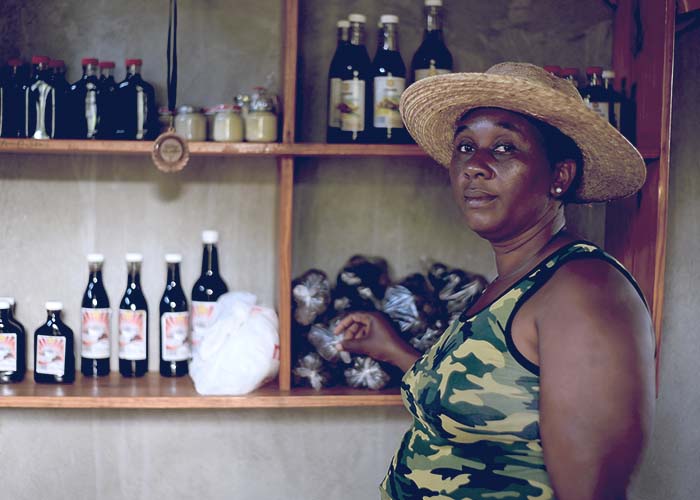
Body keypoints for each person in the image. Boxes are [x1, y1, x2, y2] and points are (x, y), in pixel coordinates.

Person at [334, 62, 655, 500]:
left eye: (504, 148)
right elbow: (485, 400)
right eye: (465, 146)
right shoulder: (509, 283)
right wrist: (392, 350)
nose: (475, 166)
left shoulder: (584, 292)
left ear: (559, 176)